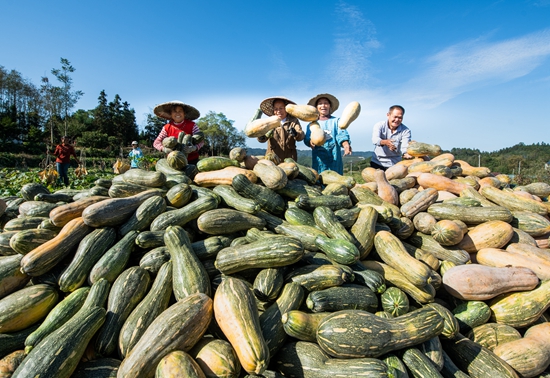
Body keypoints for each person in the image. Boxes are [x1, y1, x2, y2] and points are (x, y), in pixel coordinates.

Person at [304, 93, 352, 175]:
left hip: (334, 158)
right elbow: (307, 138)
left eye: (326, 103)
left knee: (336, 184)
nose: (323, 105)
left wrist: (346, 145)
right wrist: (310, 142)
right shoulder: (312, 124)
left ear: (330, 106)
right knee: (319, 181)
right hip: (319, 160)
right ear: (316, 107)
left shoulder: (336, 121)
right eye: (320, 103)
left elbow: (342, 134)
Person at [153, 100, 204, 165]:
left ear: (184, 113)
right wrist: (164, 149)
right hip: (173, 162)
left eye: (180, 111)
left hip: (191, 161)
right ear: (170, 114)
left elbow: (201, 141)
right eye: (174, 111)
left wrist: (194, 148)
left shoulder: (192, 125)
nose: (177, 113)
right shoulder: (167, 127)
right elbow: (156, 143)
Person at [257, 96, 305, 160]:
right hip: (272, 158)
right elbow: (262, 138)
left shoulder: (294, 121)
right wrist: (261, 137)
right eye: (276, 109)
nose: (278, 111)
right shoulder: (269, 122)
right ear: (273, 110)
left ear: (286, 109)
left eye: (281, 108)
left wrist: (296, 134)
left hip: (290, 158)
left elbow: (301, 136)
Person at [370, 105, 412, 170]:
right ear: (388, 115)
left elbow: (405, 146)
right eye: (395, 117)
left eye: (400, 118)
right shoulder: (380, 125)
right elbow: (375, 140)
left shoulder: (406, 131)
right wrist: (385, 142)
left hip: (395, 164)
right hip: (377, 162)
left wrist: (406, 154)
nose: (397, 120)